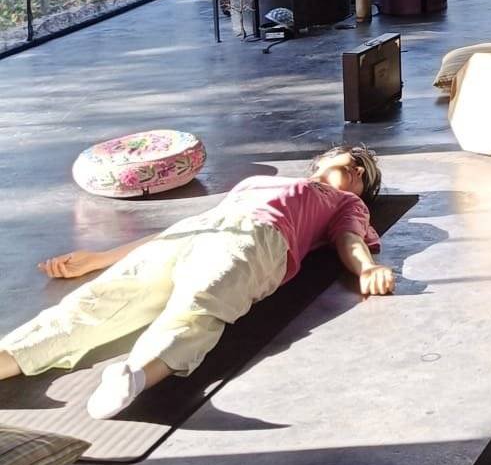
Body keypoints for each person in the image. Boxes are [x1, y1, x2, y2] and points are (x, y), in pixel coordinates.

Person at [0, 145, 394, 419]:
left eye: (365, 175)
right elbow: (184, 227)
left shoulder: (347, 202)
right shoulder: (255, 183)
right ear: (322, 160)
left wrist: (365, 269)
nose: (359, 170)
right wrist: (101, 259)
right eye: (354, 160)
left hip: (259, 239)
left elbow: (349, 238)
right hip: (195, 231)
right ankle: (9, 357)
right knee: (98, 298)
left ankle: (136, 375)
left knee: (200, 302)